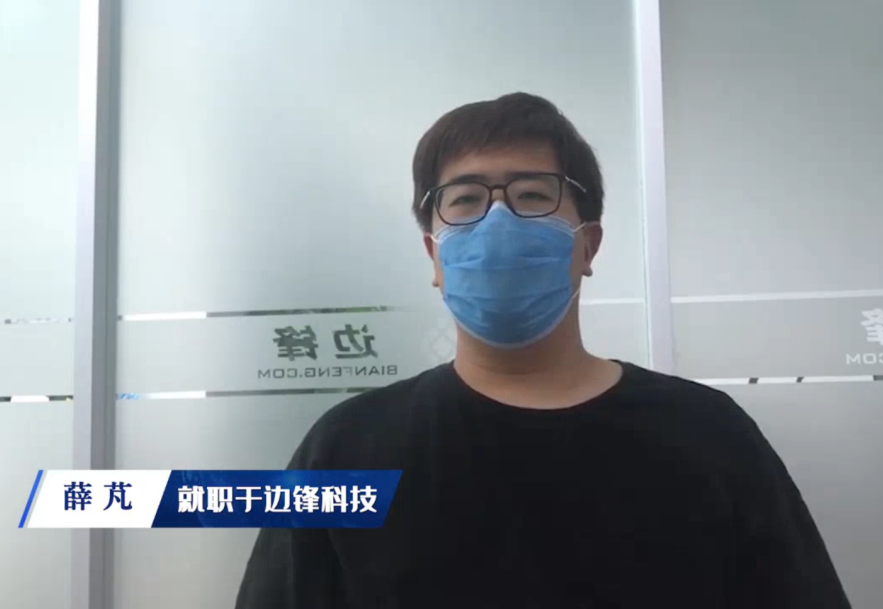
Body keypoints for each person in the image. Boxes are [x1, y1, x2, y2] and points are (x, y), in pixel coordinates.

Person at [235, 92, 851, 608]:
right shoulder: (347, 449)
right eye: (465, 200)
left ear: (589, 245)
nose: (498, 221)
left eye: (532, 195)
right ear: (434, 256)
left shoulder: (710, 435)